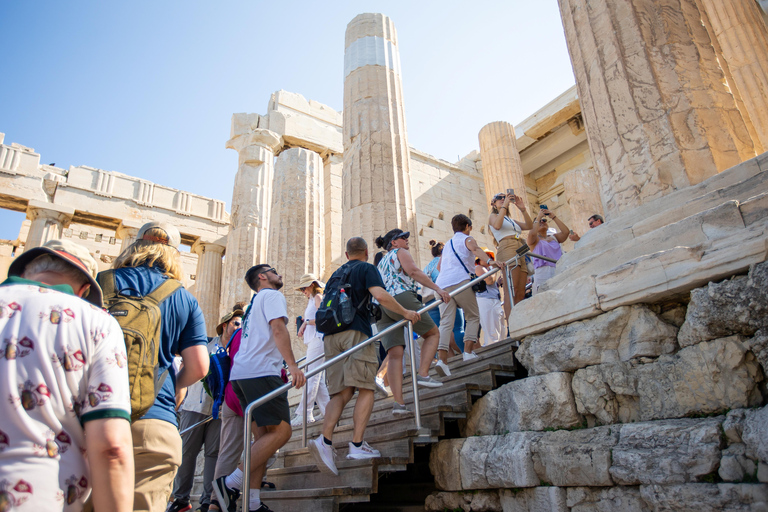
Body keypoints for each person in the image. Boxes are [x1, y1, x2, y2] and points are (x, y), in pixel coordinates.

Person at [0, 239, 133, 512]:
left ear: (24, 272)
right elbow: (111, 446)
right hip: (41, 496)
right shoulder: (97, 322)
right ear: (84, 290)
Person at [104, 221, 210, 512]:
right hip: (154, 418)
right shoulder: (183, 297)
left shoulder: (98, 284)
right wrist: (173, 385)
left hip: (91, 416)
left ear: (135, 245)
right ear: (174, 253)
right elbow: (199, 367)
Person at [308, 237, 420, 476]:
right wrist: (405, 312)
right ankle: (357, 445)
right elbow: (380, 295)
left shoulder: (336, 274)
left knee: (342, 392)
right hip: (355, 333)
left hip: (331, 337)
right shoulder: (367, 268)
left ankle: (325, 441)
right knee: (366, 387)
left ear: (346, 254)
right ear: (367, 252)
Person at [214, 264, 306, 512]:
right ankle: (230, 483)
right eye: (274, 270)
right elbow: (278, 329)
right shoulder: (272, 296)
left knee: (263, 439)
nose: (280, 273)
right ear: (263, 277)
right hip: (261, 372)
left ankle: (253, 503)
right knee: (282, 432)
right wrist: (293, 365)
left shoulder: (254, 304)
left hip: (241, 376)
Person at [168, 307, 243, 512]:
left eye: (242, 324)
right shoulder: (206, 345)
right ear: (225, 325)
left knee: (213, 454)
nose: (239, 327)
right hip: (195, 406)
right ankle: (181, 499)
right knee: (187, 453)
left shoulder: (238, 349)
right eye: (236, 323)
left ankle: (207, 500)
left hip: (220, 411)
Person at [374, 229, 449, 413]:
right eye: (403, 237)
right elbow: (413, 272)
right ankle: (423, 373)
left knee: (395, 354)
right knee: (433, 333)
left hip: (383, 307)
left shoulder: (381, 262)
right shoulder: (400, 252)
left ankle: (398, 403)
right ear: (394, 242)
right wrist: (437, 288)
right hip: (401, 297)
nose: (407, 240)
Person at [435, 215, 501, 376]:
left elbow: (438, 267)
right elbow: (476, 249)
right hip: (460, 282)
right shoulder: (467, 239)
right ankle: (468, 352)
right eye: (470, 227)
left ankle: (442, 360)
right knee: (473, 316)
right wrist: (491, 262)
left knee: (445, 323)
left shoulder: (448, 244)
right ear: (467, 226)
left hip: (442, 285)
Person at [291, 274, 331, 426]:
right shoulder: (312, 299)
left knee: (311, 376)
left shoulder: (318, 297)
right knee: (317, 380)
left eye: (304, 288)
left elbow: (323, 318)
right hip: (314, 340)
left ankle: (305, 413)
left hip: (318, 339)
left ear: (311, 285)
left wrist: (306, 323)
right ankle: (328, 412)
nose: (303, 291)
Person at [488, 191, 533, 321]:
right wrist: (505, 205)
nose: (503, 199)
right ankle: (511, 324)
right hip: (507, 246)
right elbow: (497, 225)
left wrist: (523, 209)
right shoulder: (493, 216)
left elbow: (529, 226)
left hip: (519, 247)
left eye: (505, 197)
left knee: (520, 290)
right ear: (493, 203)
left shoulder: (510, 220)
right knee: (511, 288)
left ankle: (519, 321)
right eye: (499, 197)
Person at [423, 240, 465, 356]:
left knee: (440, 334)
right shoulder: (444, 261)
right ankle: (466, 353)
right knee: (457, 329)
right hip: (444, 297)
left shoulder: (427, 267)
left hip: (430, 303)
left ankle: (448, 362)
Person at [527, 207, 571, 295]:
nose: (542, 222)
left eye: (544, 220)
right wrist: (538, 217)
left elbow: (566, 232)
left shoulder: (554, 237)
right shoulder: (534, 240)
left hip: (558, 268)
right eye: (539, 221)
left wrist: (553, 216)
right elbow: (532, 234)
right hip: (543, 271)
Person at [475, 252, 505, 345]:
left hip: (494, 299)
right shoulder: (479, 268)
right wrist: (495, 268)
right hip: (485, 300)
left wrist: (498, 283)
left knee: (500, 328)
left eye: (490, 256)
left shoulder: (489, 269)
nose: (489, 258)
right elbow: (489, 281)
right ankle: (492, 347)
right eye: (486, 256)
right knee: (491, 330)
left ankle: (500, 346)